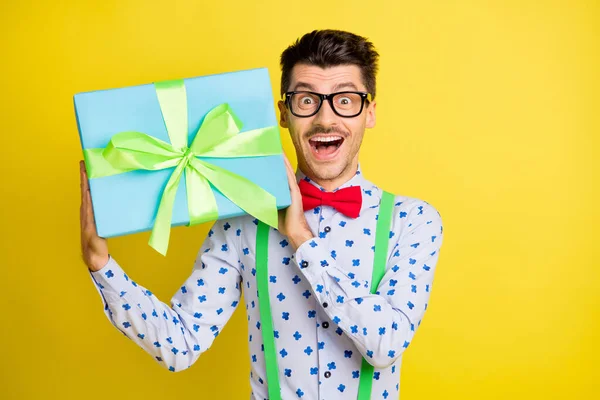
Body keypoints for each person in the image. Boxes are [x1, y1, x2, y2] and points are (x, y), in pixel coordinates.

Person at [80, 29, 444, 400]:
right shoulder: (243, 222)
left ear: (369, 113)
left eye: (345, 100)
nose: (325, 118)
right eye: (307, 100)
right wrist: (101, 264)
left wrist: (301, 237)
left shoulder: (413, 221)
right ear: (283, 114)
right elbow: (181, 344)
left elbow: (386, 344)